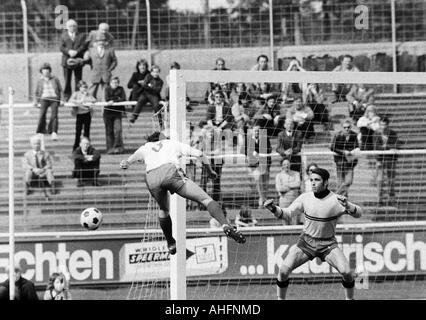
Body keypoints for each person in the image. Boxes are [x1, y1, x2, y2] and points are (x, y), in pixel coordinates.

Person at [119, 131, 246, 255]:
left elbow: (129, 160)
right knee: (206, 200)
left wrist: (127, 163)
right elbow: (200, 154)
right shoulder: (172, 143)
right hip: (170, 172)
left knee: (163, 210)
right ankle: (225, 225)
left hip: (151, 178)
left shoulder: (146, 147)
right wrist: (210, 171)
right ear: (163, 138)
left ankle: (170, 243)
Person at [263, 167, 363, 300]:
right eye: (311, 180)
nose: (313, 183)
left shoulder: (336, 200)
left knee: (347, 272)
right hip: (306, 242)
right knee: (283, 271)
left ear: (326, 182)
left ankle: (349, 299)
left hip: (328, 244)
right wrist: (274, 208)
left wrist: (349, 205)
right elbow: (287, 214)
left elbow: (359, 213)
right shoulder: (305, 198)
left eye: (317, 180)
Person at [372, 117, 399, 206]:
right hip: (380, 159)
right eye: (381, 124)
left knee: (391, 180)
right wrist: (388, 147)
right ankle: (379, 199)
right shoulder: (376, 134)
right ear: (379, 125)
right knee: (380, 180)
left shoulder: (393, 133)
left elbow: (395, 145)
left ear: (388, 125)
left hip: (391, 160)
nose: (383, 126)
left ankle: (392, 199)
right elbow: (376, 147)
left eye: (385, 125)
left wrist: (387, 147)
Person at [59, 19, 88, 101]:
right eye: (71, 26)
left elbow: (84, 46)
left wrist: (77, 51)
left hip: (78, 61)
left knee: (78, 79)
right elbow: (61, 47)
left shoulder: (82, 35)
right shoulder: (63, 35)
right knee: (67, 80)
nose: (73, 27)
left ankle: (77, 96)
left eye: (74, 26)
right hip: (66, 61)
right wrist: (69, 51)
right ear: (67, 27)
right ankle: (67, 97)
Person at [33, 62, 63, 141]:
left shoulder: (55, 78)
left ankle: (53, 131)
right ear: (41, 71)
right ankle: (40, 131)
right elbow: (36, 92)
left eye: (47, 70)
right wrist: (36, 101)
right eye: (44, 70)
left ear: (49, 71)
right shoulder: (40, 80)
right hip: (44, 98)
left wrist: (62, 100)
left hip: (54, 98)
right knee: (42, 114)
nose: (46, 71)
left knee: (54, 114)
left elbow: (60, 90)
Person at [330, 119, 359, 198]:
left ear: (351, 127)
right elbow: (332, 147)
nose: (347, 129)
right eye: (345, 127)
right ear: (342, 127)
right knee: (340, 182)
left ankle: (335, 195)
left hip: (350, 162)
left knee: (348, 181)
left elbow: (357, 146)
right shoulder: (337, 135)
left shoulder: (354, 135)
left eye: (348, 127)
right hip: (340, 162)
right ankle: (342, 200)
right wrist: (343, 152)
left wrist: (353, 151)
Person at [86, 32, 118, 100]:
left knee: (105, 95)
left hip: (106, 74)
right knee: (91, 95)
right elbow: (88, 61)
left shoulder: (110, 50)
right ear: (96, 41)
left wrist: (110, 69)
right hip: (95, 74)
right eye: (99, 41)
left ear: (105, 41)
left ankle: (104, 110)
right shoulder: (91, 50)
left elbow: (114, 61)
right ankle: (90, 109)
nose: (101, 42)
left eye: (102, 40)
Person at [246, 125, 272, 208]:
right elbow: (246, 151)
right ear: (252, 131)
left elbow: (269, 149)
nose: (257, 132)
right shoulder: (249, 140)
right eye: (255, 131)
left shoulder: (265, 139)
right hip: (255, 165)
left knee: (265, 182)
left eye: (258, 131)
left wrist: (259, 153)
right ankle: (262, 199)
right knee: (258, 182)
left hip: (265, 163)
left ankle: (265, 198)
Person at [69, 80, 96, 151]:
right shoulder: (76, 93)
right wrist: (79, 101)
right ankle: (76, 147)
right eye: (83, 87)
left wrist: (88, 101)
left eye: (86, 87)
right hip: (79, 114)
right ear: (79, 88)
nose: (84, 89)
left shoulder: (88, 94)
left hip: (87, 114)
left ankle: (87, 147)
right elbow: (71, 100)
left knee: (87, 132)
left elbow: (94, 100)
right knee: (78, 132)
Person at [104, 76, 126, 154]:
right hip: (108, 112)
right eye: (113, 82)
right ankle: (110, 148)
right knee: (109, 131)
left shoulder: (121, 89)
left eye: (116, 82)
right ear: (110, 83)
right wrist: (117, 98)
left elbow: (123, 98)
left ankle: (117, 147)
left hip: (117, 112)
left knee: (118, 130)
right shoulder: (107, 89)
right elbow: (107, 99)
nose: (115, 84)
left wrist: (113, 99)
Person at [275, 158, 301, 224]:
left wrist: (286, 185)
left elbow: (298, 184)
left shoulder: (296, 174)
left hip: (294, 200)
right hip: (284, 200)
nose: (286, 166)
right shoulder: (279, 176)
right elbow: (279, 189)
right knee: (285, 220)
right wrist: (292, 187)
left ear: (290, 165)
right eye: (284, 164)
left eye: (287, 164)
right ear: (282, 165)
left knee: (295, 221)